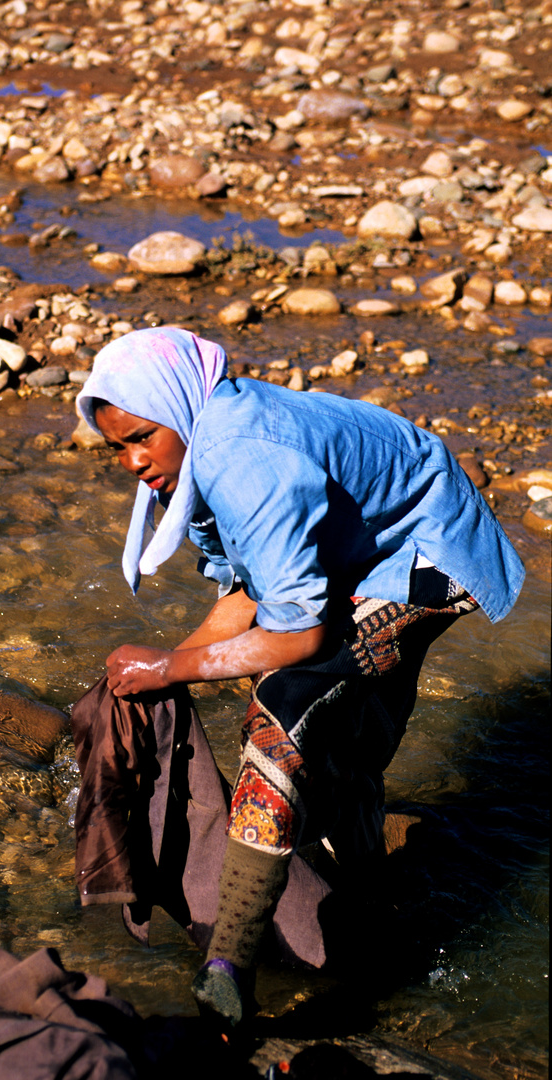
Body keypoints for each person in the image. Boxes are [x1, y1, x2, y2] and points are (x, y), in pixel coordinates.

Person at [76, 327, 524, 1030]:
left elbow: (299, 633)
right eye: (117, 449)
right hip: (374, 544)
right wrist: (172, 671)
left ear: (175, 407)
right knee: (342, 740)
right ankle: (373, 910)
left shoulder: (241, 457)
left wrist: (172, 666)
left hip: (429, 549)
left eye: (142, 438)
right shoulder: (200, 447)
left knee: (284, 714)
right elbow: (252, 594)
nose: (135, 461)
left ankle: (229, 966)